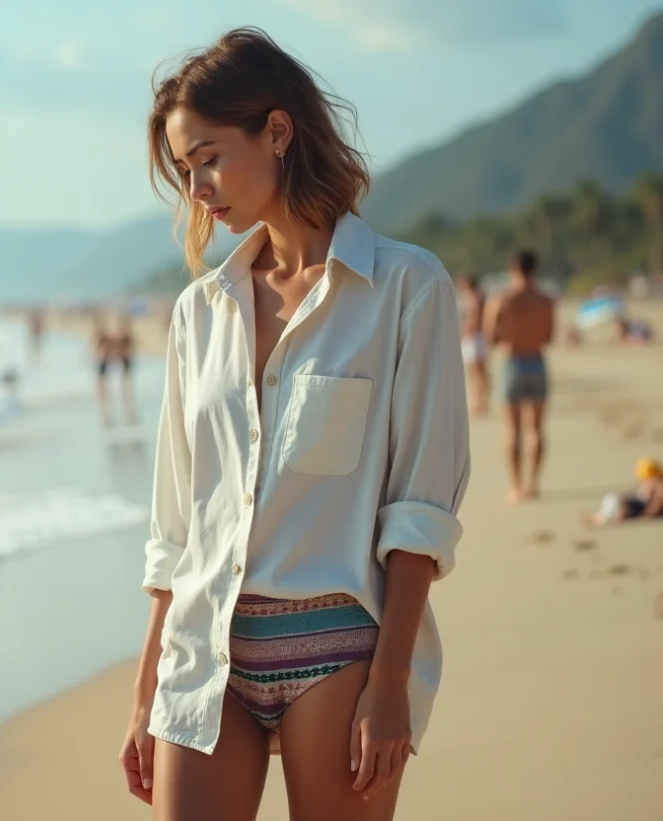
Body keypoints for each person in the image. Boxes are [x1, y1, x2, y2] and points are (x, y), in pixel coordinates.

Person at [119, 29, 470, 821]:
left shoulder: (405, 287)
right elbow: (176, 526)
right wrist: (144, 694)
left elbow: (419, 510)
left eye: (209, 157)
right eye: (183, 170)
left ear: (277, 131)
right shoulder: (199, 312)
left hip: (339, 648)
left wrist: (391, 682)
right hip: (202, 655)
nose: (197, 187)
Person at [483, 250, 555, 503]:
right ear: (535, 269)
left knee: (512, 429)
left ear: (513, 269)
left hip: (512, 362)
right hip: (537, 361)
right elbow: (549, 336)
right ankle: (533, 484)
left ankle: (515, 485)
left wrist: (506, 334)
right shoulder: (546, 300)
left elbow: (490, 337)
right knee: (535, 429)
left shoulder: (502, 299)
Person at [584, 458, 663, 526]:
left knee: (617, 502)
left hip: (639, 506)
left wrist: (650, 512)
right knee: (613, 500)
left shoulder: (657, 483)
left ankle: (601, 519)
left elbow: (659, 498)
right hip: (637, 505)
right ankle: (599, 517)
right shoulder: (651, 482)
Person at [455, 274, 489, 416]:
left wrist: (463, 333)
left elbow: (473, 322)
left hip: (474, 338)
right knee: (478, 372)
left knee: (476, 372)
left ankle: (480, 402)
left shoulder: (475, 298)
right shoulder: (477, 297)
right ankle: (480, 401)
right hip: (477, 337)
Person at [111, 312, 139, 425]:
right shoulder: (119, 336)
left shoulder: (126, 336)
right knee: (123, 389)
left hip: (125, 364)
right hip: (121, 365)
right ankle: (127, 412)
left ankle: (129, 412)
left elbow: (132, 348)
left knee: (127, 389)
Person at [92, 313, 116, 426]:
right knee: (102, 392)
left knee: (103, 392)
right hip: (101, 367)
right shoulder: (101, 336)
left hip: (103, 367)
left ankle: (106, 414)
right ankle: (105, 414)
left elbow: (104, 351)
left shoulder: (103, 337)